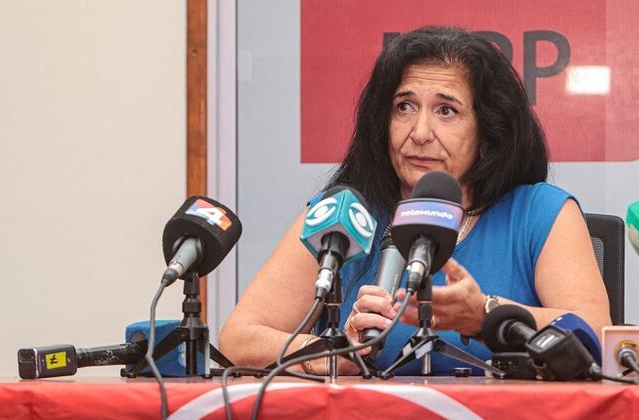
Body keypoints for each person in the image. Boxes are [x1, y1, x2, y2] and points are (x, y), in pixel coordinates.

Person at [219, 26, 610, 375]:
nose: (420, 132)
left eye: (446, 110)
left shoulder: (539, 213)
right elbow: (239, 338)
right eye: (404, 107)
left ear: (488, 132)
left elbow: (596, 333)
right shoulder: (344, 213)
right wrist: (331, 351)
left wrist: (484, 315)